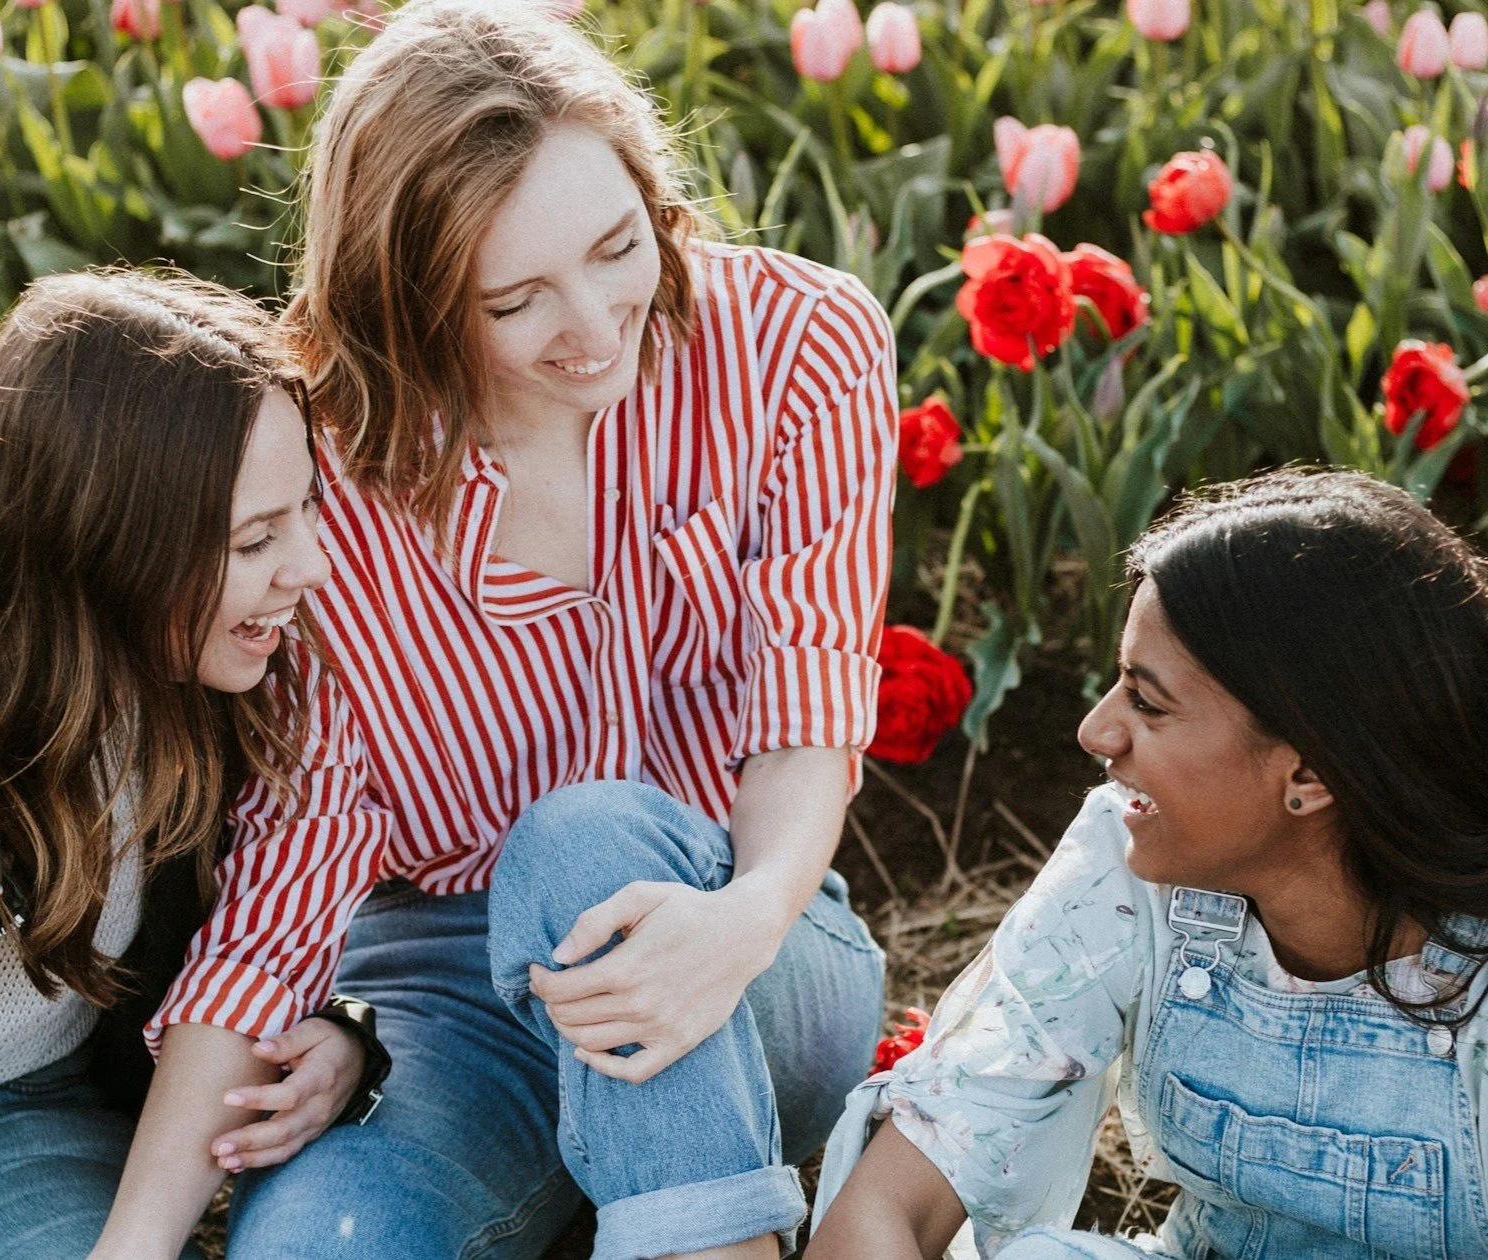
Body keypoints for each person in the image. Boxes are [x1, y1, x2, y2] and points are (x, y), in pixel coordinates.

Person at [100, 2, 898, 1256]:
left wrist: (739, 924)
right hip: (457, 991)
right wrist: (131, 1248)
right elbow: (287, 879)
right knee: (320, 1245)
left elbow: (809, 710)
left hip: (751, 937)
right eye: (516, 299)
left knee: (585, 847)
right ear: (405, 305)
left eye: (617, 245)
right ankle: (636, 1180)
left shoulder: (800, 347)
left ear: (651, 186)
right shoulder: (329, 478)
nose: (593, 329)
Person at [808, 469, 1488, 1258]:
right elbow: (900, 1194)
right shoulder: (1133, 876)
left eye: (1148, 702)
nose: (1097, 733)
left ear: (1311, 772)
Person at [0, 269, 392, 1260]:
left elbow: (278, 926)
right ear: (107, 547)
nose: (307, 567)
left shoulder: (240, 690)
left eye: (304, 511)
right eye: (255, 538)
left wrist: (343, 1034)